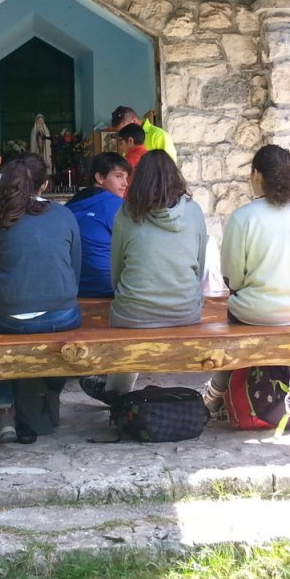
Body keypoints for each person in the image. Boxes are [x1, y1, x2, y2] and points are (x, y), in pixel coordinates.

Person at [202, 145, 290, 417]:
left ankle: (216, 393)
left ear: (255, 175)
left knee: (235, 318)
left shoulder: (243, 217)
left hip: (258, 312)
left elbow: (232, 277)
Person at [79, 150, 207, 405]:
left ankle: (116, 392)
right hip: (185, 310)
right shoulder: (193, 212)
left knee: (129, 321)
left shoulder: (127, 214)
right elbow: (199, 266)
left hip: (134, 312)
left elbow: (117, 271)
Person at [0, 153, 82, 443]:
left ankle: (4, 410)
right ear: (44, 184)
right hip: (61, 314)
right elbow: (74, 270)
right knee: (63, 334)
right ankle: (51, 393)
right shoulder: (64, 215)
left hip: (9, 316)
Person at [66, 152, 132, 297]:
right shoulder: (116, 205)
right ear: (100, 178)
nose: (125, 184)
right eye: (119, 176)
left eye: (126, 178)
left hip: (73, 286)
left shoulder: (72, 204)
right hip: (107, 288)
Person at [111, 105, 177, 163]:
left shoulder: (159, 136)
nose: (123, 134)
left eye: (125, 129)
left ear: (134, 121)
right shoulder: (126, 140)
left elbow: (169, 167)